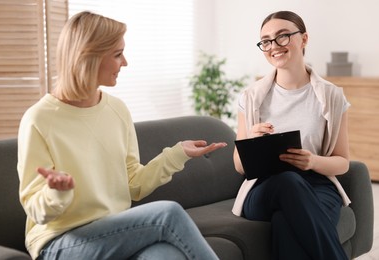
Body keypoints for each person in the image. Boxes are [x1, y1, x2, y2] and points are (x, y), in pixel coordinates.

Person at [17, 11, 225, 260]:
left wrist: (178, 154)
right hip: (59, 243)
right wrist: (57, 193)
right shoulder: (39, 119)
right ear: (89, 57)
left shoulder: (117, 110)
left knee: (165, 255)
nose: (124, 62)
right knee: (167, 214)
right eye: (117, 54)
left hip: (115, 231)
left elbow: (134, 185)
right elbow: (35, 209)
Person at [232, 11, 350, 260]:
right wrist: (251, 142)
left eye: (282, 36)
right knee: (288, 181)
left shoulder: (332, 96)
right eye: (266, 40)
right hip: (265, 188)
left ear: (304, 39)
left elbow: (342, 162)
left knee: (286, 225)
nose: (273, 46)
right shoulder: (250, 97)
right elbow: (240, 166)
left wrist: (312, 161)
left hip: (317, 184)